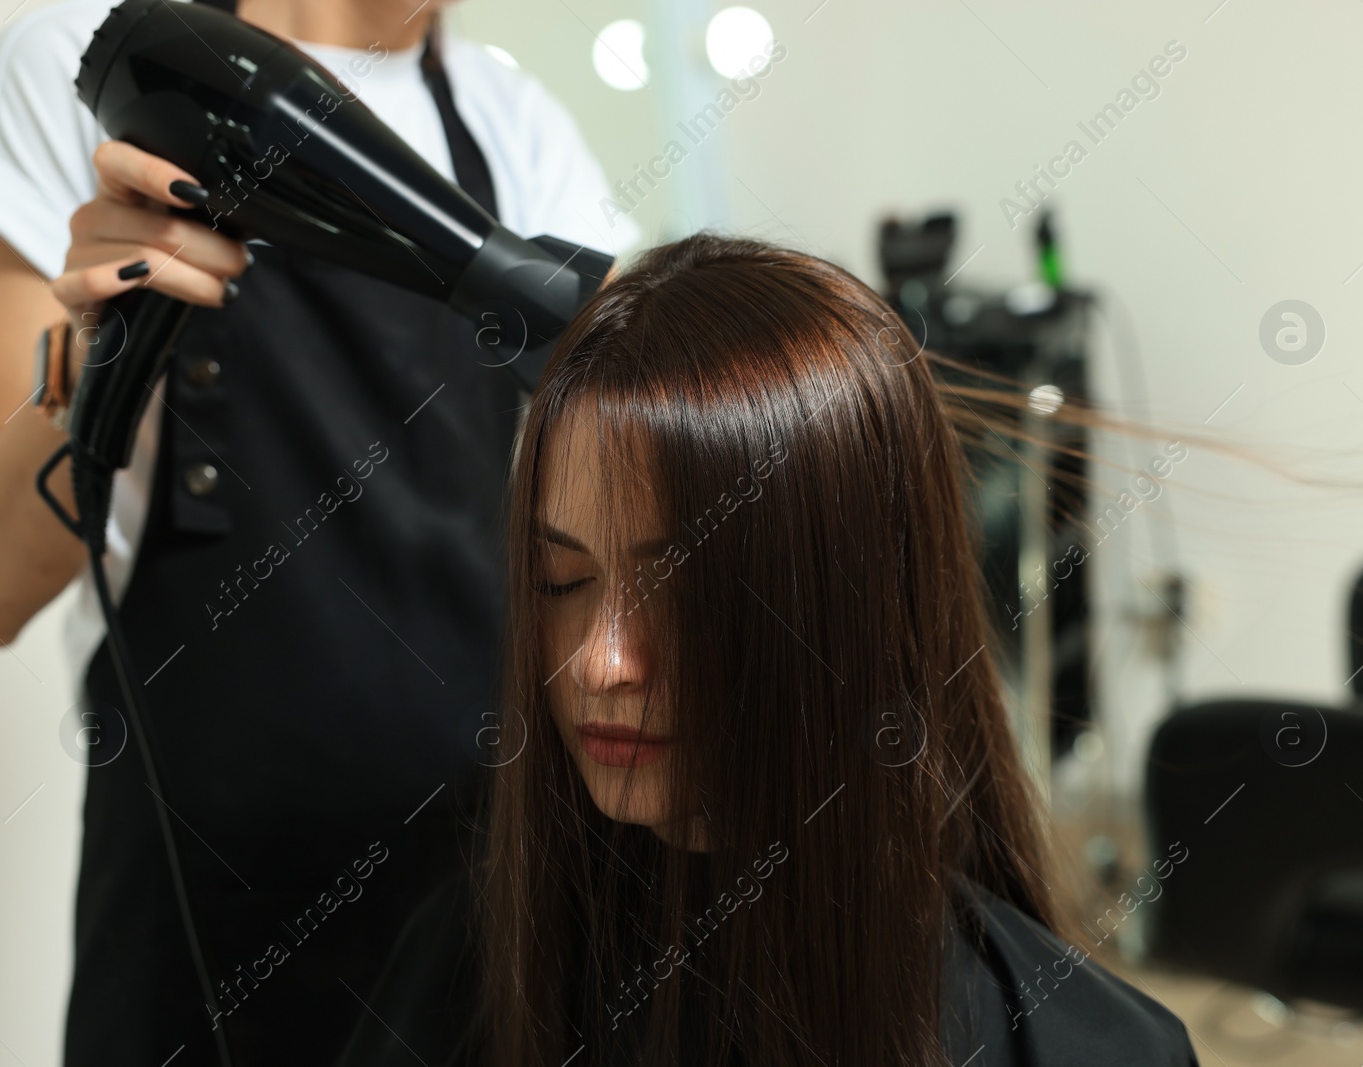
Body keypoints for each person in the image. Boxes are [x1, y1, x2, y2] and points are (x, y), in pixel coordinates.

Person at [0, 0, 636, 1063]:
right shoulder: (91, 59)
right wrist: (93, 355)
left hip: (481, 909)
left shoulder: (513, 121)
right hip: (199, 921)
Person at [336, 234, 1200, 1066]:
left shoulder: (1088, 1044)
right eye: (562, 581)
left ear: (846, 606)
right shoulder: (467, 963)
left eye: (682, 595)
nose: (600, 663)